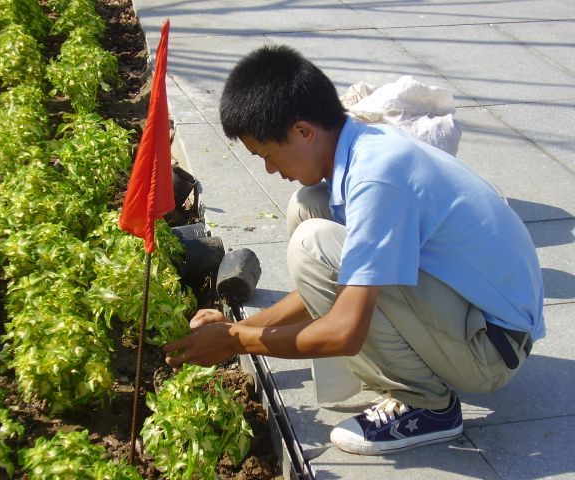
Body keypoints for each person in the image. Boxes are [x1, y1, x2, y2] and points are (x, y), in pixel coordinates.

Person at [163, 44, 545, 456]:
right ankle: (374, 365)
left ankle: (428, 406)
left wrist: (237, 339)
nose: (270, 170)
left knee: (313, 243)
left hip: (490, 349)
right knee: (310, 207)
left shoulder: (377, 179)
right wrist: (237, 325)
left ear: (303, 131)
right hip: (474, 316)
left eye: (268, 156)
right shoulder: (364, 144)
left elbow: (346, 328)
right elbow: (336, 284)